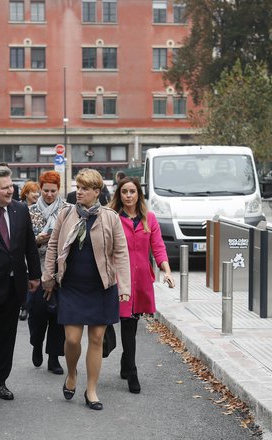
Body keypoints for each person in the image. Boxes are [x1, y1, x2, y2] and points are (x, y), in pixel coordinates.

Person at [42, 168, 131, 411]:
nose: (78, 192)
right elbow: (53, 246)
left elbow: (121, 253)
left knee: (96, 338)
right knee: (71, 340)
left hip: (102, 287)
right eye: (78, 187)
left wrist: (124, 286)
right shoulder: (66, 214)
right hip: (71, 285)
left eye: (84, 189)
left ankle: (91, 389)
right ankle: (72, 373)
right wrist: (48, 277)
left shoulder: (110, 217)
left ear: (96, 192)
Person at [0, 166, 41, 408]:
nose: (11, 190)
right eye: (5, 188)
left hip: (15, 284)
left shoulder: (19, 209)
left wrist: (35, 275)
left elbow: (29, 246)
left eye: (11, 186)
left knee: (7, 335)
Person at [108, 177, 175, 394]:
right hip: (119, 278)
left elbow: (158, 246)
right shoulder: (113, 218)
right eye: (125, 191)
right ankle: (130, 366)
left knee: (131, 323)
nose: (128, 195)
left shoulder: (150, 219)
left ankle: (130, 367)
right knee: (120, 320)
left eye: (132, 191)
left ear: (139, 194)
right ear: (119, 194)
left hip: (141, 280)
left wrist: (166, 270)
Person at [27, 171, 66, 374]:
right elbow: (23, 242)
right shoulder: (30, 210)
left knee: (58, 316)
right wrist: (37, 240)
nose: (49, 194)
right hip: (37, 269)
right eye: (45, 190)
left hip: (61, 271)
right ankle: (36, 344)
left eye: (53, 191)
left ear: (58, 190)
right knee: (37, 314)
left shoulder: (67, 210)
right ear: (40, 189)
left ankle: (54, 357)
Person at [18, 180, 41, 321]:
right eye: (33, 192)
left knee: (32, 278)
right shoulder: (18, 208)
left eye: (37, 191)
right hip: (22, 249)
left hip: (36, 249)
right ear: (26, 193)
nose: (36, 194)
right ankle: (23, 305)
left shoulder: (39, 209)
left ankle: (26, 305)